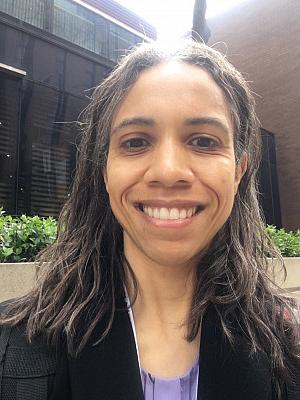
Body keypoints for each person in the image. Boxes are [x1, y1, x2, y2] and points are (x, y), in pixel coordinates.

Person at [0, 40, 299, 400]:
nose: (168, 171)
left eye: (203, 141)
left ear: (239, 171)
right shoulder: (12, 351)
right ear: (104, 172)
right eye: (136, 142)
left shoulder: (290, 348)